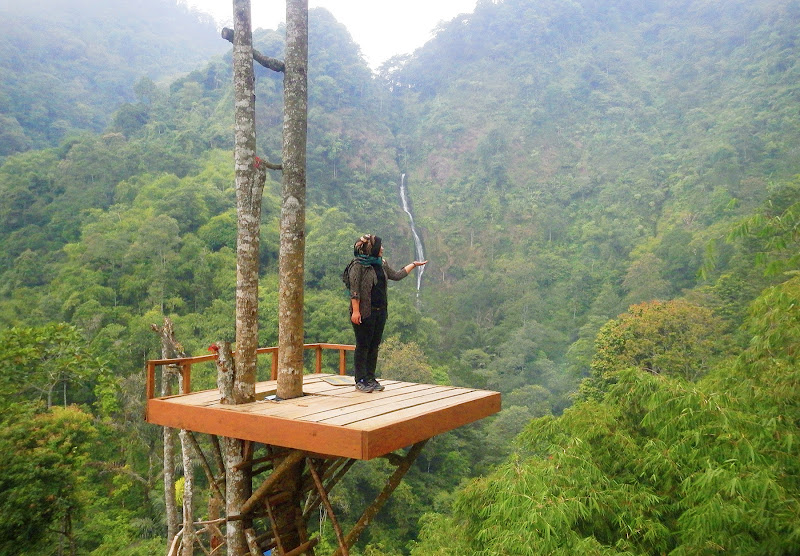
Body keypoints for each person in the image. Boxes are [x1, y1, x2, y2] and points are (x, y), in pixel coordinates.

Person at [348, 234, 427, 393]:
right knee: (363, 346)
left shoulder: (381, 264)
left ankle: (370, 377)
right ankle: (360, 379)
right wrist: (356, 311)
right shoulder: (358, 266)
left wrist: (413, 265)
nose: (382, 248)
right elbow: (354, 290)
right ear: (373, 248)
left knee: (374, 346)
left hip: (380, 312)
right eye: (380, 246)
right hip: (364, 312)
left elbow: (396, 276)